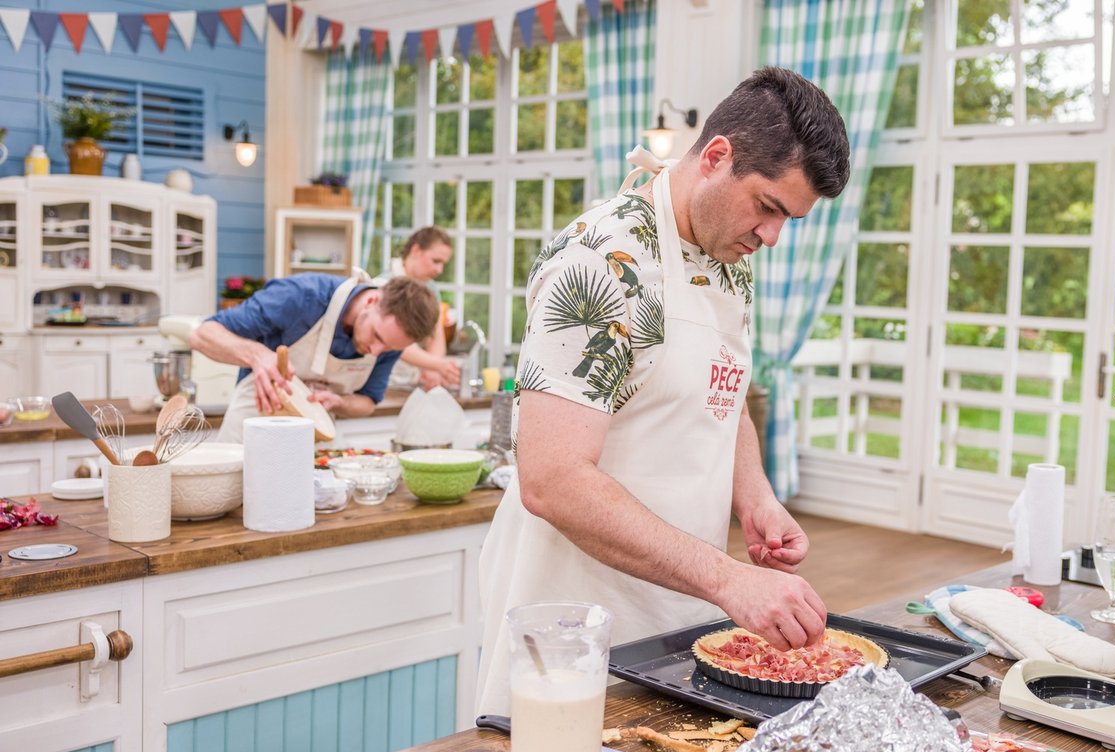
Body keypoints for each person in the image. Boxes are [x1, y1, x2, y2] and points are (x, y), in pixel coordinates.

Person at [476, 66, 852, 715]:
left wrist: (756, 498)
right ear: (715, 157)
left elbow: (722, 394)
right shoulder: (599, 263)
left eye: (789, 219)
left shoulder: (728, 259)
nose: (772, 237)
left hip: (678, 615)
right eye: (768, 207)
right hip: (573, 628)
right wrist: (729, 577)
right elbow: (552, 478)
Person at [190, 270, 439, 443]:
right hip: (252, 427)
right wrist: (257, 356)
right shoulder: (300, 296)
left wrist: (339, 402)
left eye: (388, 349)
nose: (376, 352)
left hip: (316, 441)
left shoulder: (390, 341)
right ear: (372, 301)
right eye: (377, 337)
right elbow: (202, 334)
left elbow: (368, 402)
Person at [388, 226, 462, 391]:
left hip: (417, 385)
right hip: (387, 384)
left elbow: (436, 337)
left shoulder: (431, 289)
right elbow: (393, 340)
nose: (439, 270)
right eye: (436, 261)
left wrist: (432, 370)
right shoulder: (385, 285)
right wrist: (438, 365)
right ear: (416, 251)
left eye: (443, 263)